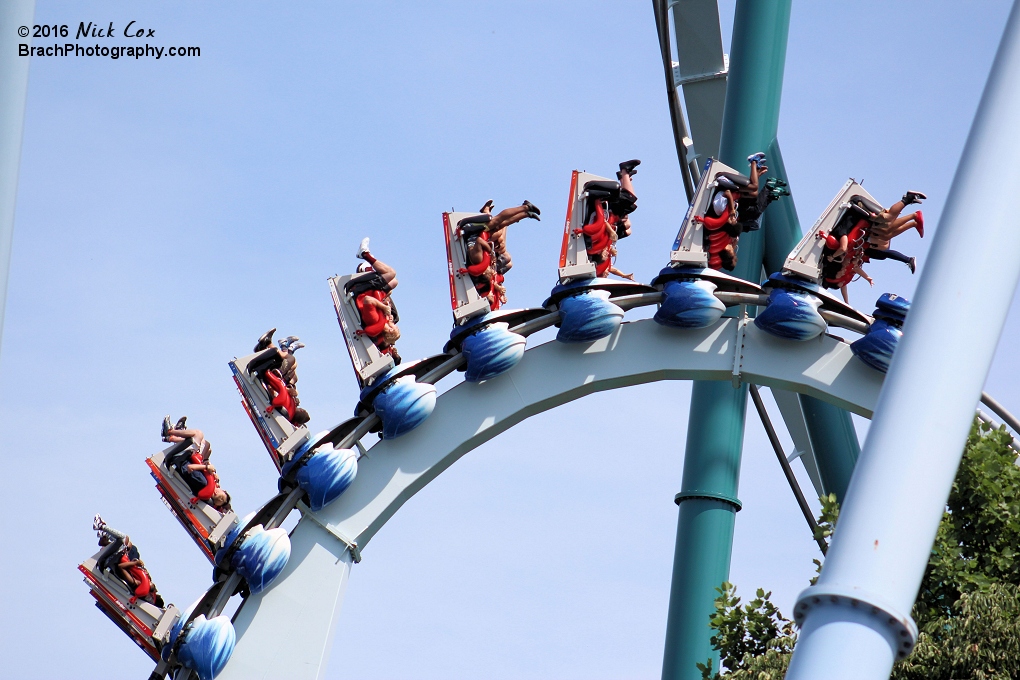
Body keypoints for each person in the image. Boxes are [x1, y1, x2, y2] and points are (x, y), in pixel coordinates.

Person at [93, 515, 164, 607]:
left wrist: (135, 563)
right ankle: (105, 537)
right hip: (121, 558)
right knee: (130, 545)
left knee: (123, 538)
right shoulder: (143, 578)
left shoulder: (134, 583)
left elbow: (121, 567)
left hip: (113, 561)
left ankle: (101, 526)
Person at [353, 239, 402, 359]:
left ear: (390, 330)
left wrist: (384, 307)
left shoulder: (375, 322)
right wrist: (386, 303)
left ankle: (365, 254)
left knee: (391, 273)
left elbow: (368, 301)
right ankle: (372, 265)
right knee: (394, 283)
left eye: (395, 327)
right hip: (375, 292)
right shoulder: (385, 320)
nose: (394, 324)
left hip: (363, 291)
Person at [162, 430, 232, 510]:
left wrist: (206, 468)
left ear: (216, 492)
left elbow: (190, 468)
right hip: (184, 459)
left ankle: (169, 432)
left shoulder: (203, 483)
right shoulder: (209, 484)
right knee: (207, 445)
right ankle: (173, 436)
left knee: (198, 434)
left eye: (222, 490)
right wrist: (209, 466)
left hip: (179, 459)